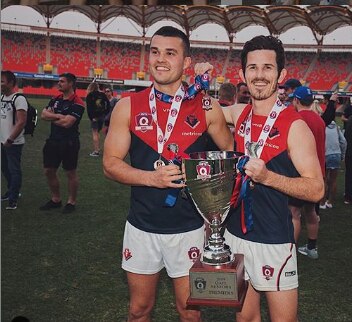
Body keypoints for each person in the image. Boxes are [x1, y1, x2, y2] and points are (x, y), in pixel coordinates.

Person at [102, 26, 233, 322]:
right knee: (139, 310)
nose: (160, 59)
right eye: (155, 51)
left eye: (170, 53)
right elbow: (110, 164)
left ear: (186, 62)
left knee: (189, 313)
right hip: (141, 227)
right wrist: (152, 178)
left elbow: (229, 157)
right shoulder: (128, 106)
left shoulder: (206, 108)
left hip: (189, 229)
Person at [222, 35, 324, 322]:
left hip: (274, 241)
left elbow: (316, 189)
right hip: (235, 235)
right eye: (252, 68)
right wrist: (199, 84)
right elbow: (201, 112)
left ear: (281, 75)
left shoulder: (295, 126)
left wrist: (268, 177)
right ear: (242, 74)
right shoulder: (239, 114)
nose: (259, 75)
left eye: (267, 68)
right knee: (245, 318)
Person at [288, 86, 326, 261]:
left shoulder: (297, 118)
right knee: (311, 211)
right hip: (317, 172)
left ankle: (290, 253)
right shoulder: (319, 119)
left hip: (299, 171)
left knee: (294, 212)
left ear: (296, 100)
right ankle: (312, 247)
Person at [39, 73, 85, 214]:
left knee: (70, 172)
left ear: (70, 84)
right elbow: (42, 115)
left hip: (69, 142)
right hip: (53, 140)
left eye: (62, 81)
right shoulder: (55, 99)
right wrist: (58, 116)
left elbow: (67, 123)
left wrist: (51, 116)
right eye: (58, 81)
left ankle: (71, 201)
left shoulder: (78, 102)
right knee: (48, 170)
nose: (58, 84)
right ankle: (56, 199)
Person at [1, 70, 28, 210]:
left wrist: (10, 139)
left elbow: (21, 122)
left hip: (13, 143)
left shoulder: (18, 99)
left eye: (2, 81)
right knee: (5, 168)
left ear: (11, 83)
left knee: (14, 170)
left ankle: (14, 198)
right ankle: (11, 190)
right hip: (2, 141)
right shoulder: (1, 97)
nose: (0, 84)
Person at [320, 119, 347, 209]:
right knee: (333, 180)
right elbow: (343, 141)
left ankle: (322, 202)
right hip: (336, 154)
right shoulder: (336, 128)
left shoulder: (322, 127)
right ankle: (330, 202)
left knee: (324, 179)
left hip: (326, 154)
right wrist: (342, 154)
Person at [86, 82, 110, 157]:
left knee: (95, 133)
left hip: (95, 117)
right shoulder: (102, 94)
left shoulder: (90, 95)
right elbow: (108, 105)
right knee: (98, 132)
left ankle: (96, 151)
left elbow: (89, 108)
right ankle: (99, 148)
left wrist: (92, 118)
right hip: (101, 116)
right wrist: (105, 113)